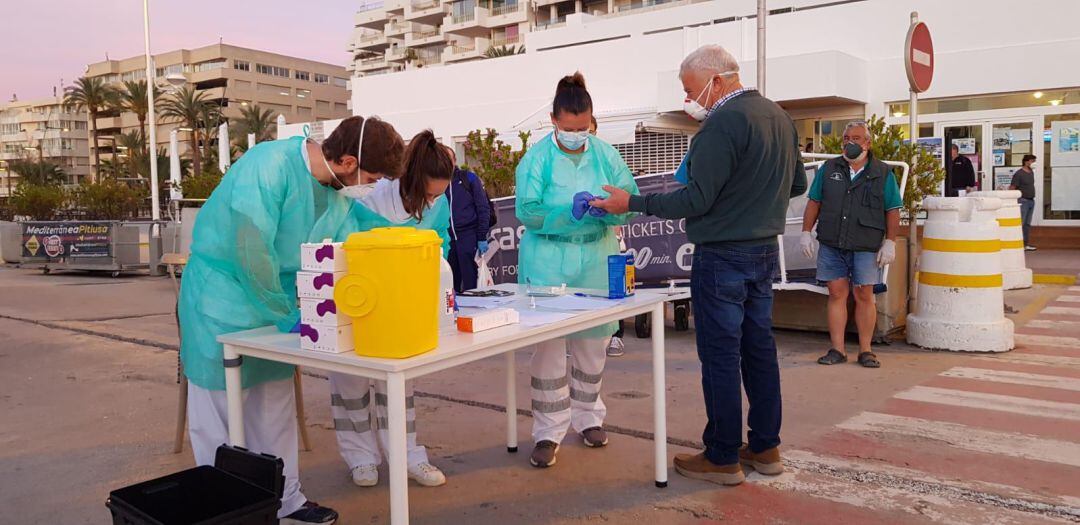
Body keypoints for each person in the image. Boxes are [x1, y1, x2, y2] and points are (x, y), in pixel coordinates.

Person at [592, 45, 806, 486]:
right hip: (765, 249)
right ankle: (766, 446)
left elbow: (695, 199)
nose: (690, 100)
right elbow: (798, 182)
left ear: (718, 80)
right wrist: (755, 206)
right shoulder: (779, 117)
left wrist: (630, 201)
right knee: (759, 352)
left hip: (723, 255)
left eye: (691, 90)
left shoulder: (722, 124)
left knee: (721, 356)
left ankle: (723, 455)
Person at [178, 115, 405, 524]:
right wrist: (281, 311)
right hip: (222, 297)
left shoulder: (334, 191)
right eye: (373, 176)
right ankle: (226, 512)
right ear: (349, 162)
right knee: (219, 413)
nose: (373, 187)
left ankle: (285, 502)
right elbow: (250, 246)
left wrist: (407, 240)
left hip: (278, 300)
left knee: (274, 404)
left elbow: (361, 229)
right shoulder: (269, 166)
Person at [515, 72, 639, 468]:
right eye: (569, 129)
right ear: (553, 120)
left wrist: (607, 210)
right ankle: (548, 432)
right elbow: (527, 212)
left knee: (593, 348)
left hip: (595, 259)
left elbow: (628, 197)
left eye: (583, 128)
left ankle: (589, 419)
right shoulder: (535, 159)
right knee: (549, 353)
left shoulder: (604, 153)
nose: (576, 135)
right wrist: (564, 213)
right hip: (548, 262)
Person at [324, 130, 452, 489]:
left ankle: (408, 454)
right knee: (350, 380)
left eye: (438, 194)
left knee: (399, 383)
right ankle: (360, 458)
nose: (432, 201)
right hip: (359, 298)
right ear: (407, 180)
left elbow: (436, 252)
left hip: (404, 305)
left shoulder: (437, 203)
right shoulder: (369, 197)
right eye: (427, 193)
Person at [799, 121, 902, 369]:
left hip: (866, 244)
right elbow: (814, 201)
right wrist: (805, 231)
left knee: (864, 295)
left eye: (856, 138)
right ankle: (837, 349)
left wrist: (890, 241)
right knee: (836, 294)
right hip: (832, 241)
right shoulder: (829, 168)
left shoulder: (882, 172)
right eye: (846, 138)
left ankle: (866, 350)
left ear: (867, 143)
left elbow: (892, 209)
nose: (849, 143)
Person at [587, 114, 628, 357]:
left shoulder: (606, 157)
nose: (584, 137)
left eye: (588, 131)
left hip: (606, 235)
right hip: (579, 238)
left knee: (614, 287)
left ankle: (615, 335)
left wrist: (614, 220)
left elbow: (624, 195)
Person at [443, 146, 492, 292]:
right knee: (450, 284)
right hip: (447, 239)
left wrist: (481, 236)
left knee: (472, 283)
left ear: (454, 161)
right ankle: (453, 313)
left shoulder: (468, 179)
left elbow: (483, 208)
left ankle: (476, 311)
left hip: (468, 237)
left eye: (448, 160)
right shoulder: (437, 184)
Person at [1010, 154, 1037, 251]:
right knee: (1021, 222)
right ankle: (1017, 243)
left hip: (1031, 200)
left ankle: (1025, 244)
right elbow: (1012, 187)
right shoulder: (1019, 174)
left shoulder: (1031, 172)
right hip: (1023, 200)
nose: (1032, 163)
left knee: (1027, 224)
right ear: (1026, 162)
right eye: (1031, 161)